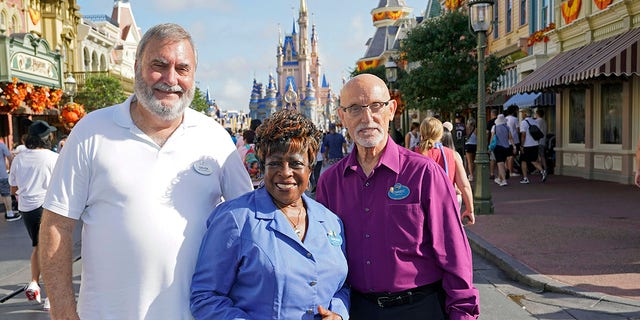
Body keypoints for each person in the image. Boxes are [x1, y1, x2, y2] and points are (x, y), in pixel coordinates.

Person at [39, 23, 253, 320]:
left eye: (182, 69)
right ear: (137, 67)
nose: (171, 79)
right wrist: (63, 314)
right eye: (159, 65)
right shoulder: (90, 131)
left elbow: (252, 227)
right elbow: (56, 226)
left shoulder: (214, 137)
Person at [316, 74, 479, 319]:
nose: (367, 118)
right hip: (358, 310)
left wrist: (464, 314)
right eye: (355, 109)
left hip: (419, 308)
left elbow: (454, 253)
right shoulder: (330, 183)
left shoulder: (424, 173)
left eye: (375, 106)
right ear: (342, 117)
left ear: (391, 109)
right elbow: (325, 259)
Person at [190, 110, 349, 319]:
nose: (285, 172)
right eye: (274, 163)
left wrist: (338, 313)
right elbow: (205, 297)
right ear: (263, 166)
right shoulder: (235, 219)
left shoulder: (330, 222)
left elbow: (341, 287)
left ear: (310, 168)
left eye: (296, 163)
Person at [9, 120, 59, 311]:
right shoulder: (52, 158)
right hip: (47, 206)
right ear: (47, 138)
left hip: (27, 207)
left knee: (38, 246)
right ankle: (50, 296)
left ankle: (33, 283)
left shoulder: (19, 158)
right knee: (52, 250)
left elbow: (14, 188)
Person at [416, 117, 475, 225]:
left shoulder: (411, 154)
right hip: (445, 205)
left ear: (421, 132)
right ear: (441, 134)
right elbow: (464, 185)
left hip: (419, 207)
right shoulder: (452, 155)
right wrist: (469, 209)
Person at [519, 108, 547, 183]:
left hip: (527, 145)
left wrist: (521, 145)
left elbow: (523, 135)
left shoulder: (523, 122)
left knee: (523, 161)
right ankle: (542, 171)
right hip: (535, 144)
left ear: (525, 114)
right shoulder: (535, 122)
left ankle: (525, 178)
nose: (521, 114)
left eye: (522, 113)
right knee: (533, 160)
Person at [491, 114, 514, 186]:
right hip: (506, 147)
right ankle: (500, 178)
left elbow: (492, 138)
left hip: (497, 147)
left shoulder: (494, 127)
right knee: (503, 163)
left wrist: (490, 147)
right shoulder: (507, 127)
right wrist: (514, 146)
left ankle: (504, 180)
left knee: (500, 164)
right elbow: (510, 137)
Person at [0, 137, 18, 221]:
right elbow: (10, 158)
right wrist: (11, 170)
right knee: (6, 194)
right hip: (2, 174)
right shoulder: (2, 145)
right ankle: (10, 213)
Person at [535, 109, 548, 173]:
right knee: (542, 155)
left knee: (538, 156)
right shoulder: (544, 121)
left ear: (537, 114)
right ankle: (545, 168)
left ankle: (540, 169)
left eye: (536, 113)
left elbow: (535, 131)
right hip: (543, 140)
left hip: (538, 141)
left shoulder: (537, 121)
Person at [464, 118, 477, 182]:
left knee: (469, 161)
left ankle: (471, 175)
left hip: (468, 145)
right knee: (473, 161)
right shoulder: (476, 130)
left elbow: (465, 136)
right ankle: (471, 174)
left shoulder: (467, 129)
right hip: (475, 145)